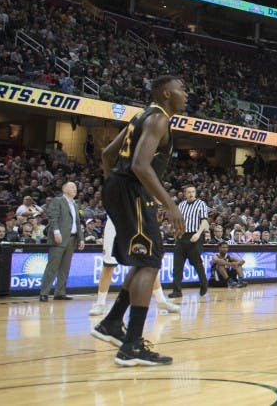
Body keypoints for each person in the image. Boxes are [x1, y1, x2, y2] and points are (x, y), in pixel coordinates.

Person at [92, 76, 187, 367]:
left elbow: (108, 154)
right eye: (182, 89)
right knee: (150, 262)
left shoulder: (140, 116)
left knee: (143, 260)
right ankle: (132, 345)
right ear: (167, 93)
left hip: (119, 188)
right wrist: (170, 204)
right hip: (132, 189)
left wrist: (116, 187)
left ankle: (112, 323)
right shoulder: (158, 119)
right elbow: (139, 165)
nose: (187, 94)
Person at [90, 216, 180, 317]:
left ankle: (161, 301)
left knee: (149, 264)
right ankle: (100, 303)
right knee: (108, 265)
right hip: (116, 221)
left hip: (138, 222)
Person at [39, 181, 84, 302]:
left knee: (65, 267)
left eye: (75, 187)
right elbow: (53, 217)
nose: (75, 188)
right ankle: (44, 292)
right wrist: (56, 232)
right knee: (53, 266)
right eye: (71, 187)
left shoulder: (75, 204)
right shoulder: (58, 200)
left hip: (72, 238)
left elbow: (77, 223)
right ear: (64, 189)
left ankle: (60, 292)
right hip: (59, 238)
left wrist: (81, 238)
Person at [169, 185, 210, 298]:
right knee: (177, 265)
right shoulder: (181, 205)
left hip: (194, 236)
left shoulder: (201, 204)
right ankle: (177, 291)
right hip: (181, 236)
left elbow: (204, 221)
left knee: (196, 263)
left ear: (195, 193)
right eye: (189, 192)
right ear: (185, 194)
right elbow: (178, 221)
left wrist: (198, 234)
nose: (191, 194)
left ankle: (204, 284)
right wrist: (175, 230)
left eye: (193, 191)